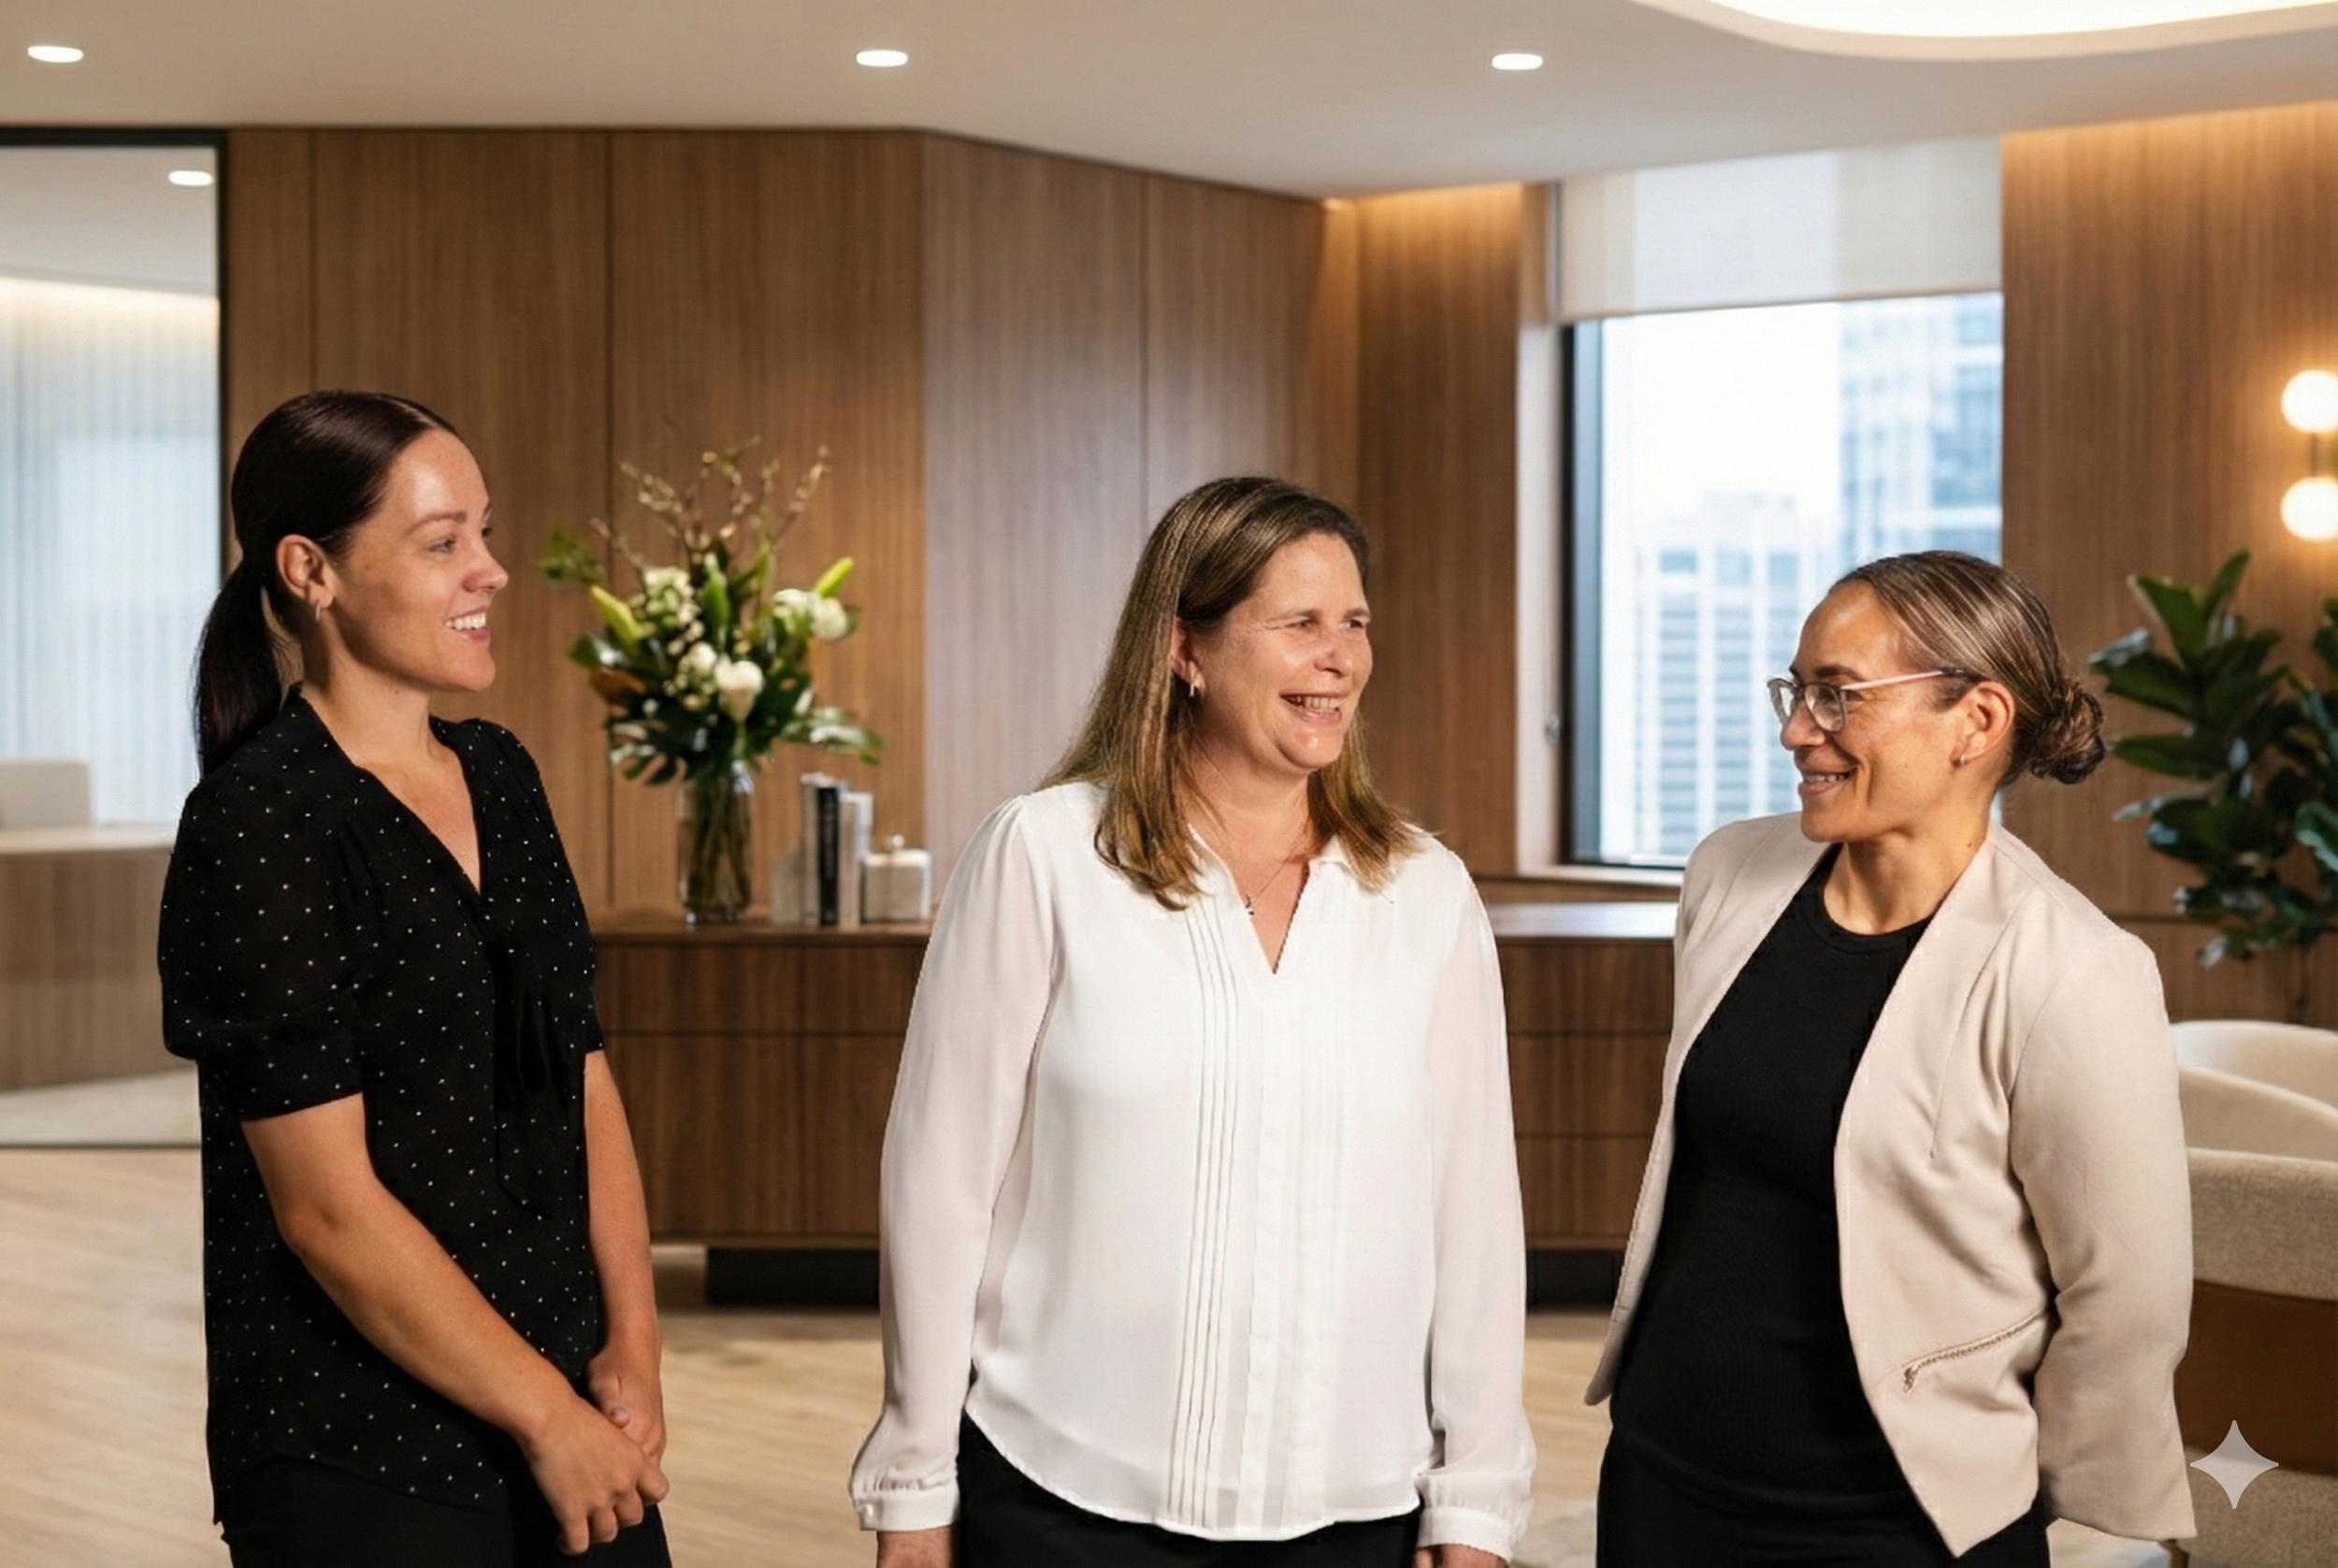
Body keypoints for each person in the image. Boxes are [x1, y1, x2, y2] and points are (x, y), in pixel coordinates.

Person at [850, 478, 1535, 1567]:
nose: (1340, 658)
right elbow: (939, 1188)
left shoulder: (1425, 893)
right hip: (1060, 1496)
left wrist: (1477, 1507)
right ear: (1185, 649)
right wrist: (914, 1490)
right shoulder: (1044, 856)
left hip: (1356, 1513)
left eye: (1353, 624)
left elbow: (1475, 1226)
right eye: (1299, 623)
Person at [1587, 552, 2197, 1566]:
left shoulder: (2074, 970)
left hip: (1890, 1525)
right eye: (1795, 690)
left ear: (1977, 722)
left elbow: (2125, 1298)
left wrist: (2016, 1483)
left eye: (1837, 695)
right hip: (1661, 1479)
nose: (1795, 730)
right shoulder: (1729, 873)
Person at [160, 391, 671, 1567]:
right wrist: (544, 1416)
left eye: (483, 534)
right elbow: (325, 1209)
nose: (489, 572)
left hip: (569, 1405)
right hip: (360, 1441)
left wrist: (630, 1347)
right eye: (445, 544)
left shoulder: (500, 775)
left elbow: (579, 1074)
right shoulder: (260, 822)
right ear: (310, 571)